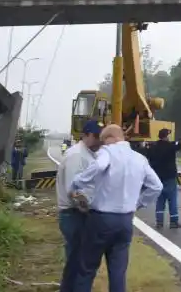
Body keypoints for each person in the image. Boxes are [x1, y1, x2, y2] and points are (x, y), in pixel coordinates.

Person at [70, 124, 163, 292]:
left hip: (101, 219)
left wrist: (78, 182)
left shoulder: (107, 152)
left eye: (103, 141)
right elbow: (157, 186)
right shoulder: (139, 158)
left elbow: (99, 166)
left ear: (110, 138)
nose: (102, 145)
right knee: (118, 272)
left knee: (87, 268)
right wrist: (138, 203)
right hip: (125, 219)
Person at [56, 121, 101, 292]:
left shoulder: (88, 154)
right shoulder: (76, 156)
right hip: (74, 214)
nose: (99, 140)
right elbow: (74, 192)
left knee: (77, 261)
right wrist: (90, 210)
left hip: (78, 214)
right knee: (79, 262)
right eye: (96, 136)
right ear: (85, 135)